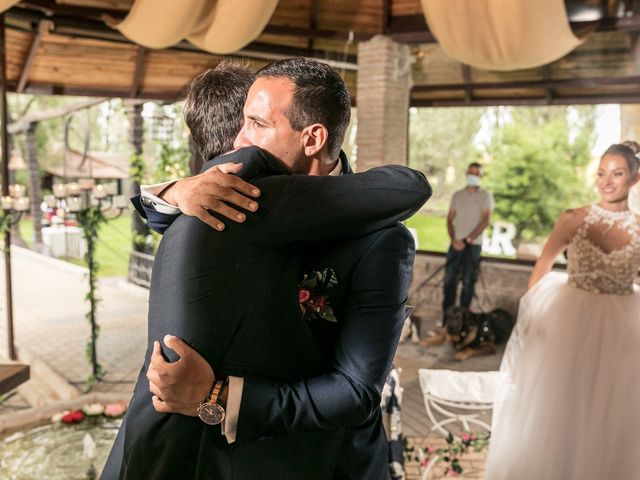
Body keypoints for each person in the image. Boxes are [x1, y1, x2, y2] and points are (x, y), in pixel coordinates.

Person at [102, 59, 430, 480]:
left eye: (256, 123)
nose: (240, 140)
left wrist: (216, 395)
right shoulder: (244, 197)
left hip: (329, 461)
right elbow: (170, 220)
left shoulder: (382, 241)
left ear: (312, 138)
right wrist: (176, 189)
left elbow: (353, 393)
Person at [485, 142, 640, 479]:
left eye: (617, 173)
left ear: (634, 178)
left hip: (623, 333)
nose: (606, 181)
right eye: (601, 173)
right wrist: (537, 326)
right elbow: (539, 273)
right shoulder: (573, 218)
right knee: (561, 415)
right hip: (572, 327)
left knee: (613, 419)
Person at [442, 162, 493, 322]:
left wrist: (469, 239)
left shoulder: (485, 196)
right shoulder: (457, 195)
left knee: (468, 282)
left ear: (480, 177)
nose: (473, 176)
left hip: (473, 246)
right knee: (449, 280)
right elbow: (450, 220)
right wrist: (454, 240)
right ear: (466, 174)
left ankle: (463, 319)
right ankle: (447, 317)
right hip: (456, 245)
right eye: (471, 173)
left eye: (476, 174)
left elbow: (486, 220)